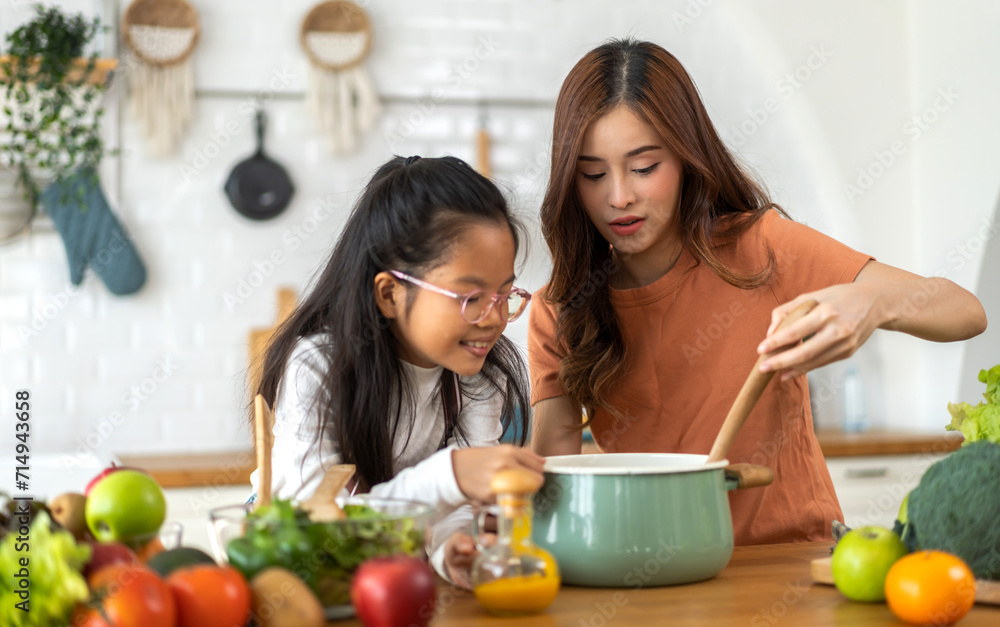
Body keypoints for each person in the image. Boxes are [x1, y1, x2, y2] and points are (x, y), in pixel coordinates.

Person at [528, 39, 987, 545]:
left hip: (792, 563)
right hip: (661, 574)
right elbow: (553, 476)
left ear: (685, 157)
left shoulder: (760, 249)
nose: (619, 196)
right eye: (592, 174)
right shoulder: (560, 308)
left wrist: (872, 302)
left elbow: (965, 312)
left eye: (643, 167)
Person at [249, 155, 544, 585]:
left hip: (384, 576)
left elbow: (458, 504)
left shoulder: (480, 376)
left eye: (504, 295)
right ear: (390, 294)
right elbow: (312, 525)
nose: (494, 317)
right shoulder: (319, 367)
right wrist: (450, 474)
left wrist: (452, 549)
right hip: (298, 572)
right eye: (471, 297)